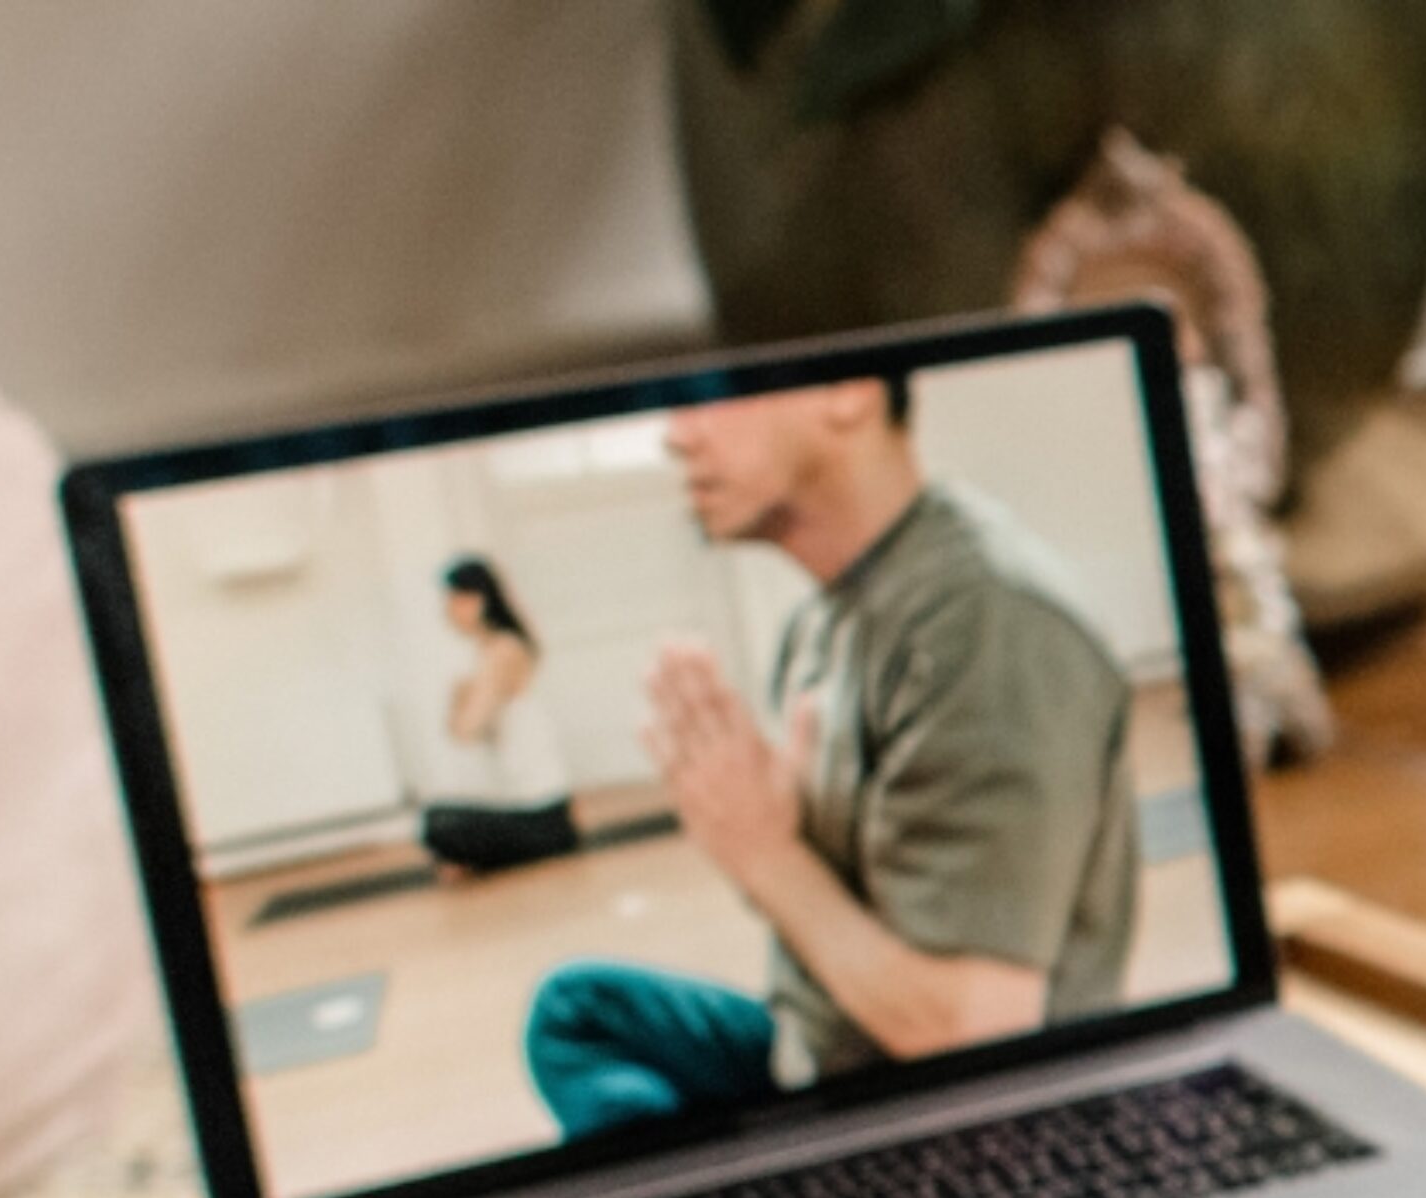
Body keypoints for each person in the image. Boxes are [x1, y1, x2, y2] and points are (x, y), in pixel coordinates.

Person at [524, 371, 1139, 1138]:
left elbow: (970, 1034)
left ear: (848, 391)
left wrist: (763, 855)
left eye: (712, 393)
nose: (675, 434)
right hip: (823, 1057)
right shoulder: (824, 621)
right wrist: (788, 836)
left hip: (959, 1124)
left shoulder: (986, 624)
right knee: (575, 1012)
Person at [418, 555, 581, 875]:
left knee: (438, 824)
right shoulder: (489, 652)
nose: (446, 612)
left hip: (541, 814)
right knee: (437, 818)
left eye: (452, 601)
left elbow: (467, 729)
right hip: (524, 805)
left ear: (476, 601)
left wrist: (460, 696)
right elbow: (462, 732)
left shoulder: (504, 650)